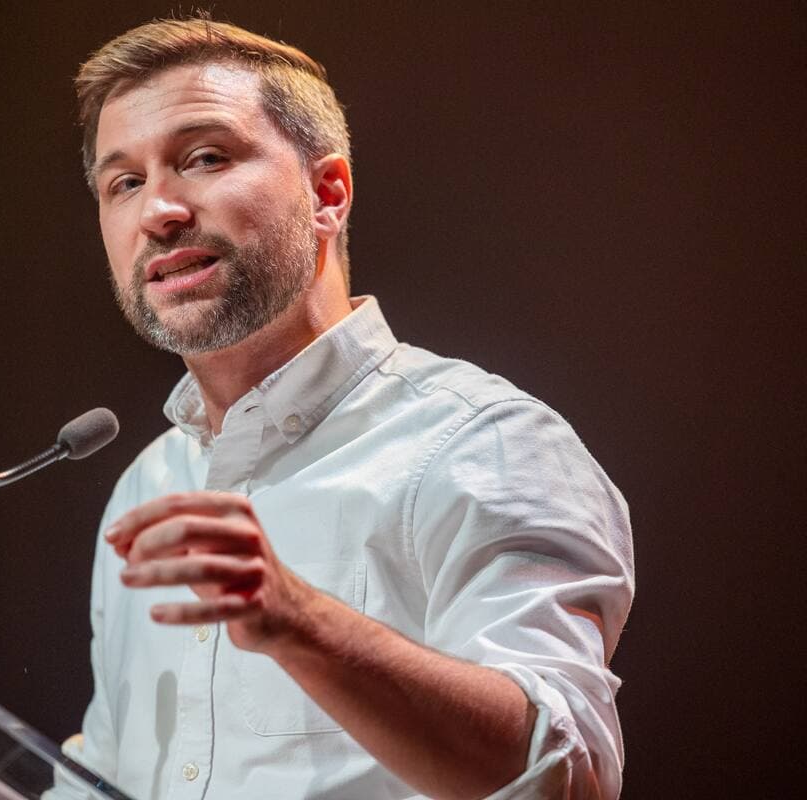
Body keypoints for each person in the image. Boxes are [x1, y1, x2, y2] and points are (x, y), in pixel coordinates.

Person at [69, 16, 634, 800]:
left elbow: (567, 779)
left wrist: (299, 620)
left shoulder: (484, 442)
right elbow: (111, 769)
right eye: (123, 181)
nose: (158, 210)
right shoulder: (148, 483)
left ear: (327, 193)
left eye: (204, 158)